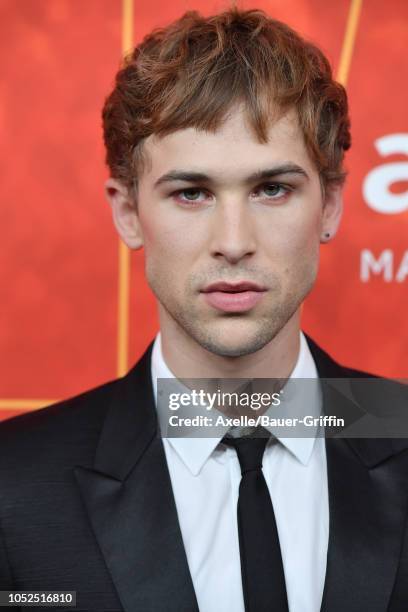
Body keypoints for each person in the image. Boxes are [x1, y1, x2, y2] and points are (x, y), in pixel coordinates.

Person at [0, 8, 407, 612]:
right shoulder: (13, 485)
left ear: (329, 206)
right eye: (191, 193)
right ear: (128, 212)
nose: (234, 239)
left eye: (273, 188)